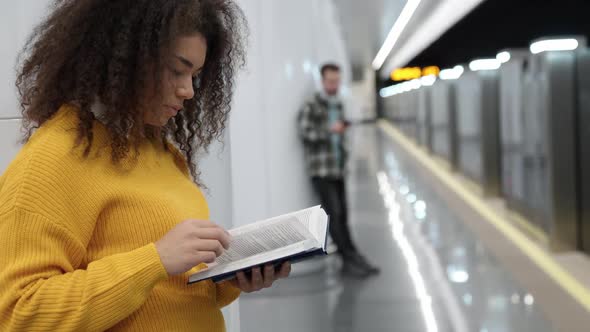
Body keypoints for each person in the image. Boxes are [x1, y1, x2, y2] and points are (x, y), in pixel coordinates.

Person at [0, 1, 290, 331]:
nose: (189, 91)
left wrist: (228, 279)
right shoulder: (52, 160)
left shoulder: (158, 151)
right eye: (177, 70)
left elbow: (171, 290)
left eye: (195, 75)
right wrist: (154, 260)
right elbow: (19, 314)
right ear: (124, 57)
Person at [297, 63, 379, 278]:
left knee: (343, 215)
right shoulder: (312, 105)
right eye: (331, 81)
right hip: (322, 171)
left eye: (337, 81)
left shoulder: (339, 105)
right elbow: (306, 132)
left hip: (337, 169)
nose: (334, 85)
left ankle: (352, 255)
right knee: (333, 215)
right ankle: (349, 258)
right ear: (323, 81)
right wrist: (330, 130)